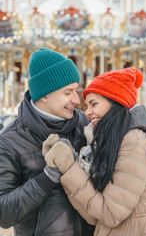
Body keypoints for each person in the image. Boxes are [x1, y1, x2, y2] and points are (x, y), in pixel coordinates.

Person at [42, 68, 146, 236]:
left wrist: (69, 168)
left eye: (94, 104)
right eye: (86, 106)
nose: (87, 112)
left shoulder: (134, 142)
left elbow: (110, 214)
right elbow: (95, 217)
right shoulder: (111, 142)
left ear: (116, 102)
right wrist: (67, 167)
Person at [0, 48, 95, 236]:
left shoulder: (83, 123)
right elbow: (4, 214)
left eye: (76, 90)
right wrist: (47, 178)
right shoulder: (9, 141)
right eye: (68, 92)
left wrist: (139, 132)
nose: (76, 99)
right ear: (44, 95)